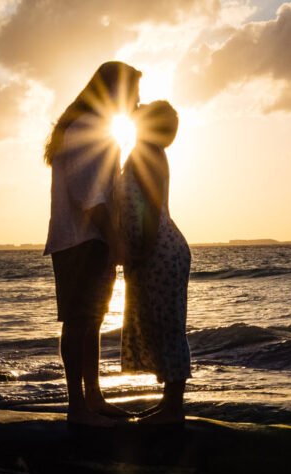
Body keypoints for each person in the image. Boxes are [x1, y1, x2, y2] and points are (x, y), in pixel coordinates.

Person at [44, 61, 142, 426]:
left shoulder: (95, 129)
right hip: (81, 239)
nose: (137, 101)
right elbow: (91, 197)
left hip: (91, 239)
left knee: (93, 320)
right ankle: (78, 407)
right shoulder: (85, 129)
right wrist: (116, 240)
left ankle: (93, 397)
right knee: (78, 320)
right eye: (134, 93)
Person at [118, 100, 191, 425]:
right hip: (163, 248)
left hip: (157, 250)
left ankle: (173, 408)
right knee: (163, 325)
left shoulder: (146, 153)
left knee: (168, 327)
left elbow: (147, 207)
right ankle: (168, 404)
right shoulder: (149, 151)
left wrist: (141, 253)